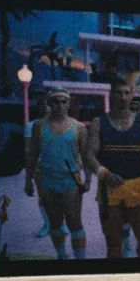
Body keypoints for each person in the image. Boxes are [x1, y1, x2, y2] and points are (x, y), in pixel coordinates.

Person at [84, 76, 140, 258]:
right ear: (111, 94)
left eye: (126, 93)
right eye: (118, 93)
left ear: (132, 95)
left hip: (137, 188)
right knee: (113, 245)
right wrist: (104, 174)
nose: (123, 97)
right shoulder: (99, 122)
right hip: (109, 190)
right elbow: (89, 156)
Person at [23, 89, 89, 260]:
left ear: (69, 104)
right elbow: (33, 154)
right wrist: (28, 180)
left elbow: (86, 156)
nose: (60, 105)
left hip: (70, 180)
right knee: (55, 222)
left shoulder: (79, 127)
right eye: (56, 101)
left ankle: (81, 260)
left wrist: (88, 179)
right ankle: (61, 255)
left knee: (75, 222)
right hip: (47, 180)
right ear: (49, 103)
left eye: (64, 101)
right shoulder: (39, 126)